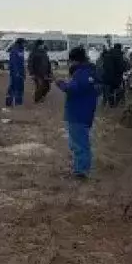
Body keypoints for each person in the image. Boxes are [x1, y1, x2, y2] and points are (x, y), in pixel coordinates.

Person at [58, 46, 99, 178]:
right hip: (84, 112)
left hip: (78, 114)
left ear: (75, 60)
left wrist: (61, 84)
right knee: (78, 142)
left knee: (79, 144)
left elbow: (73, 89)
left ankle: (81, 171)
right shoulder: (90, 72)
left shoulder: (82, 74)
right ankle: (80, 168)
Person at [4, 37, 27, 109]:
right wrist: (16, 72)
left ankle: (18, 103)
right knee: (13, 88)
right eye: (24, 43)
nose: (25, 45)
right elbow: (13, 62)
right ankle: (9, 102)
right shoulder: (14, 50)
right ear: (20, 43)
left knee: (20, 88)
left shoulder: (21, 50)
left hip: (21, 72)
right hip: (15, 73)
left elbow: (22, 63)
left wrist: (24, 73)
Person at [29, 39, 53, 103]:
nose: (43, 45)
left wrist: (50, 72)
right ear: (39, 45)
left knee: (47, 87)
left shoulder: (44, 52)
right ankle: (36, 99)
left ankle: (41, 97)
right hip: (37, 73)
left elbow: (48, 63)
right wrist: (32, 73)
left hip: (45, 73)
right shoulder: (33, 52)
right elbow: (30, 63)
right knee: (40, 86)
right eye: (42, 44)